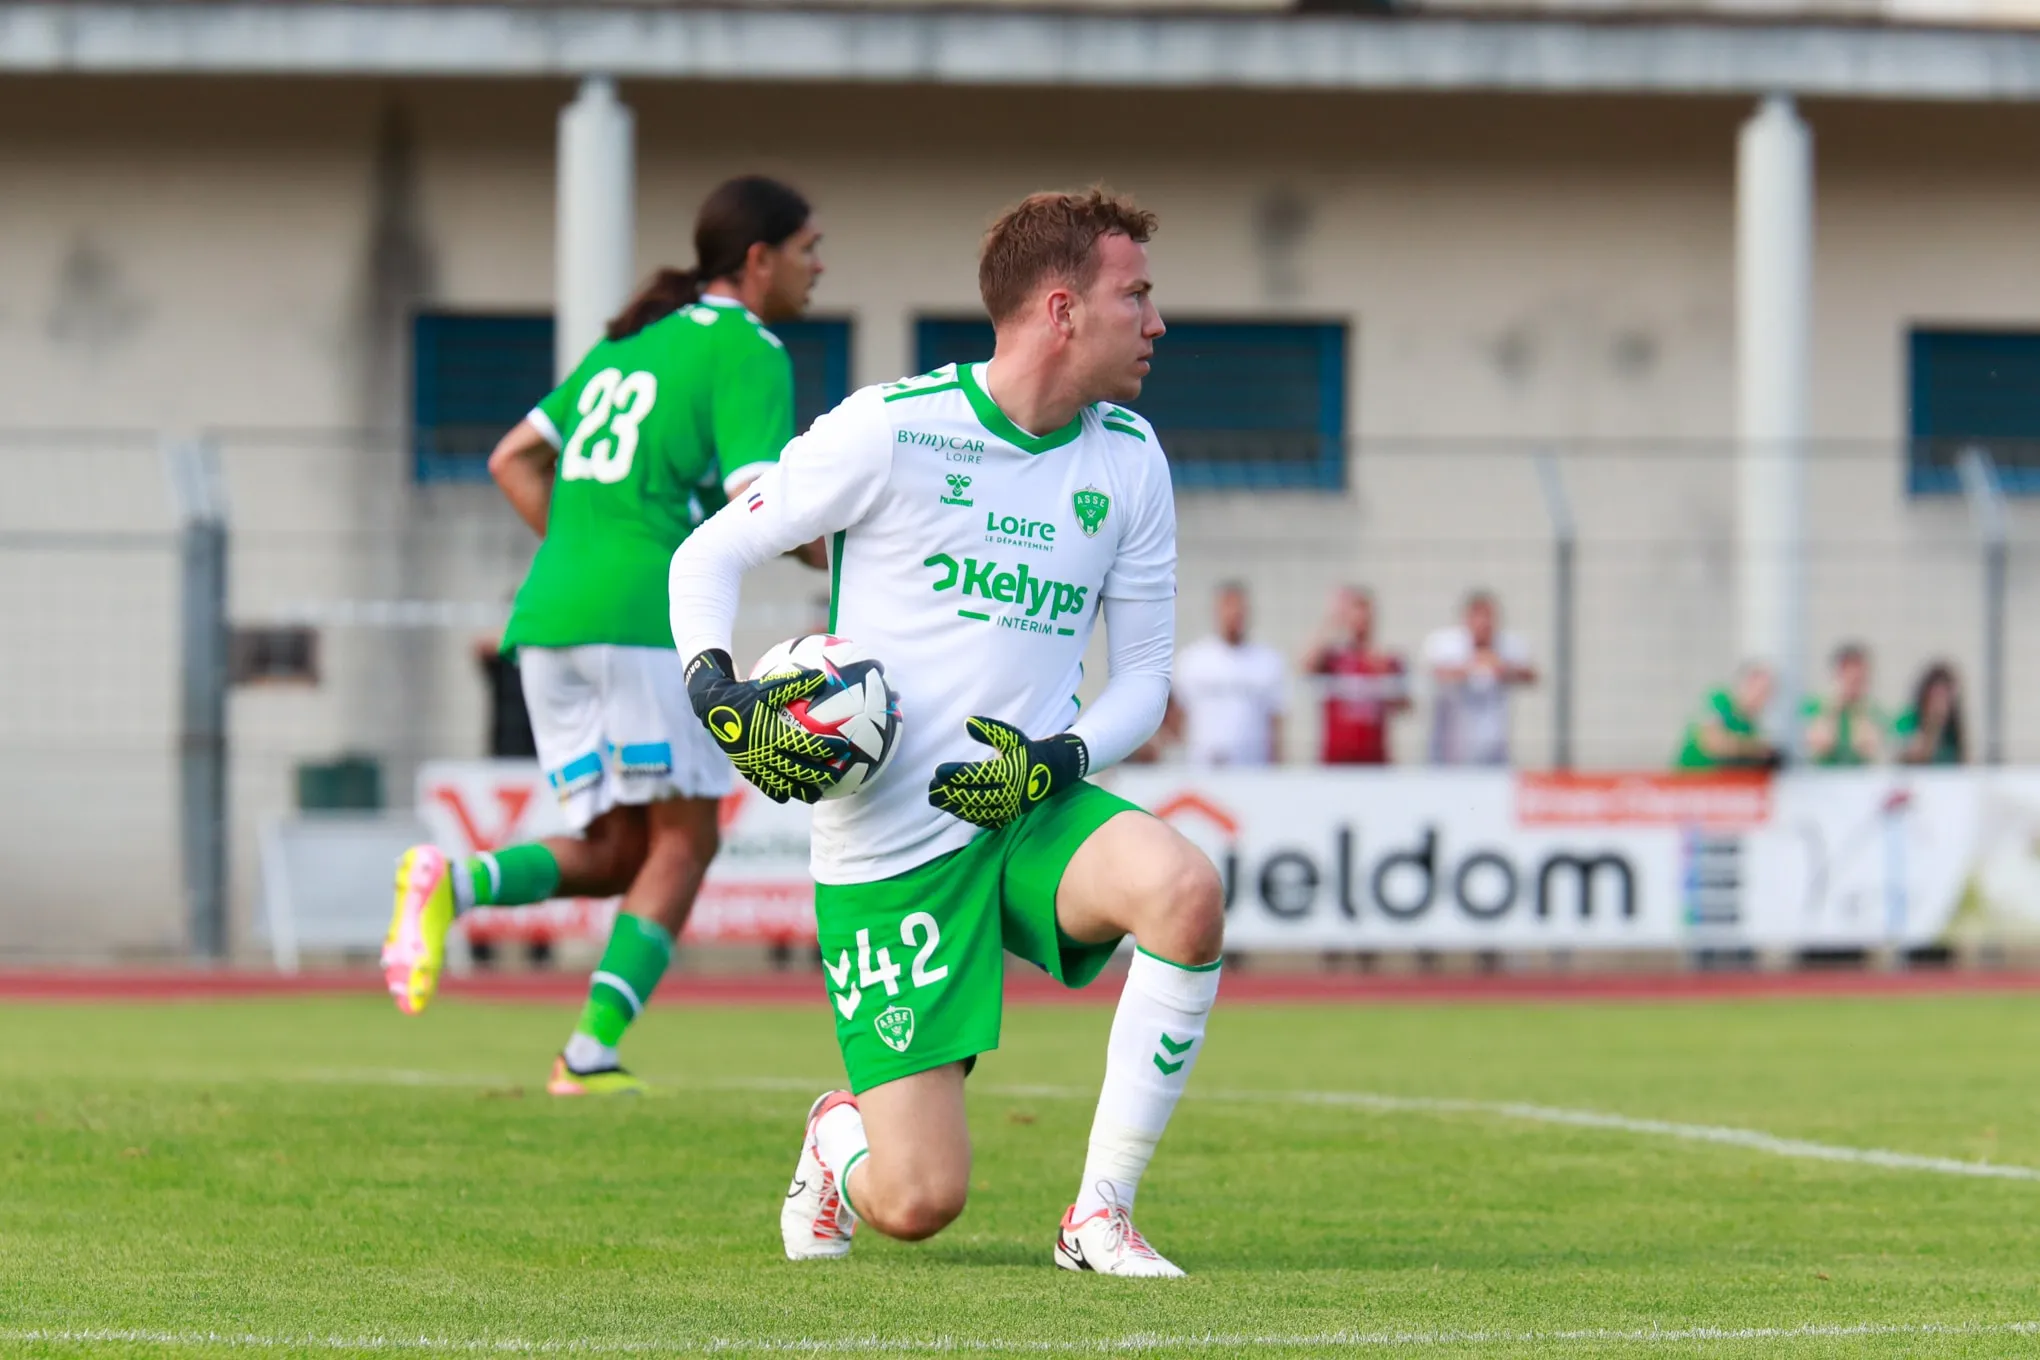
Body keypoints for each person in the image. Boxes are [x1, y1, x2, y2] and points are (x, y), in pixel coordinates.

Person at [669, 188, 1224, 1277]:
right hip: (889, 850)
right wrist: (714, 687)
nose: (1156, 323)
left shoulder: (1131, 457)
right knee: (919, 1201)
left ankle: (1099, 1217)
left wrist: (1059, 761)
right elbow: (708, 555)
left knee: (1185, 890)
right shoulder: (891, 427)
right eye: (1136, 297)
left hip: (1026, 811)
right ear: (1062, 309)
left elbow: (1145, 681)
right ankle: (837, 1139)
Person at [379, 175, 828, 1095]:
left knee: (622, 852)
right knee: (687, 843)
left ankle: (449, 886)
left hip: (549, 618)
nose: (818, 268)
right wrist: (850, 559)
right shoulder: (748, 347)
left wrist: (584, 555)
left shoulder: (628, 342)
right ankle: (588, 1055)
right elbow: (760, 497)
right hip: (643, 621)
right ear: (758, 259)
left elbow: (512, 459)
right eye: (809, 249)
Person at [1171, 583, 1287, 766]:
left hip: (1254, 769)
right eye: (1227, 606)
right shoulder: (1191, 660)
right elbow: (1176, 717)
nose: (1233, 613)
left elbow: (1276, 721)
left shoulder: (1268, 661)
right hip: (1202, 768)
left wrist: (1277, 766)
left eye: (1238, 607)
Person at [1424, 590, 1536, 766]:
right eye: (1478, 617)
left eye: (1488, 617)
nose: (1483, 624)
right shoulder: (1447, 644)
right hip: (1451, 751)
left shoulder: (1505, 646)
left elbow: (1530, 675)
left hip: (1494, 749)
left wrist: (1503, 669)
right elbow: (1435, 672)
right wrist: (1474, 666)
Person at [1303, 585, 1407, 765]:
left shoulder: (1387, 660)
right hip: (1336, 762)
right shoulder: (1333, 659)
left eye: (1364, 611)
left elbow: (1404, 705)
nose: (1360, 618)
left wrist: (1382, 674)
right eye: (1355, 611)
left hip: (1374, 761)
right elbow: (1306, 666)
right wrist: (1331, 621)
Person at [1672, 661, 1781, 771]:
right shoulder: (1719, 700)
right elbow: (1713, 742)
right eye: (1762, 691)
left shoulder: (1749, 727)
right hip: (1689, 777)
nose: (1765, 700)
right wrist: (1755, 749)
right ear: (1747, 684)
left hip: (1719, 780)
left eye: (1768, 693)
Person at [1803, 642, 1884, 767]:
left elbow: (1867, 748)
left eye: (1859, 680)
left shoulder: (1873, 710)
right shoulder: (1815, 706)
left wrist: (1859, 710)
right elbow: (1820, 746)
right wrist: (1833, 708)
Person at [1894, 661, 1966, 765]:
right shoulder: (1908, 722)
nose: (1939, 704)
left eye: (1944, 698)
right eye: (1936, 696)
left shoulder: (1952, 733)